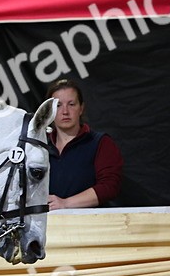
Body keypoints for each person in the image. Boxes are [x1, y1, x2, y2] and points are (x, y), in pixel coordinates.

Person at [44, 79, 123, 209]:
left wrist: (65, 203)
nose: (65, 111)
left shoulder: (100, 142)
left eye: (71, 104)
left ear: (81, 108)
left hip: (89, 220)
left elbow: (109, 186)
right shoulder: (40, 146)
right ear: (49, 111)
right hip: (46, 220)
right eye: (58, 105)